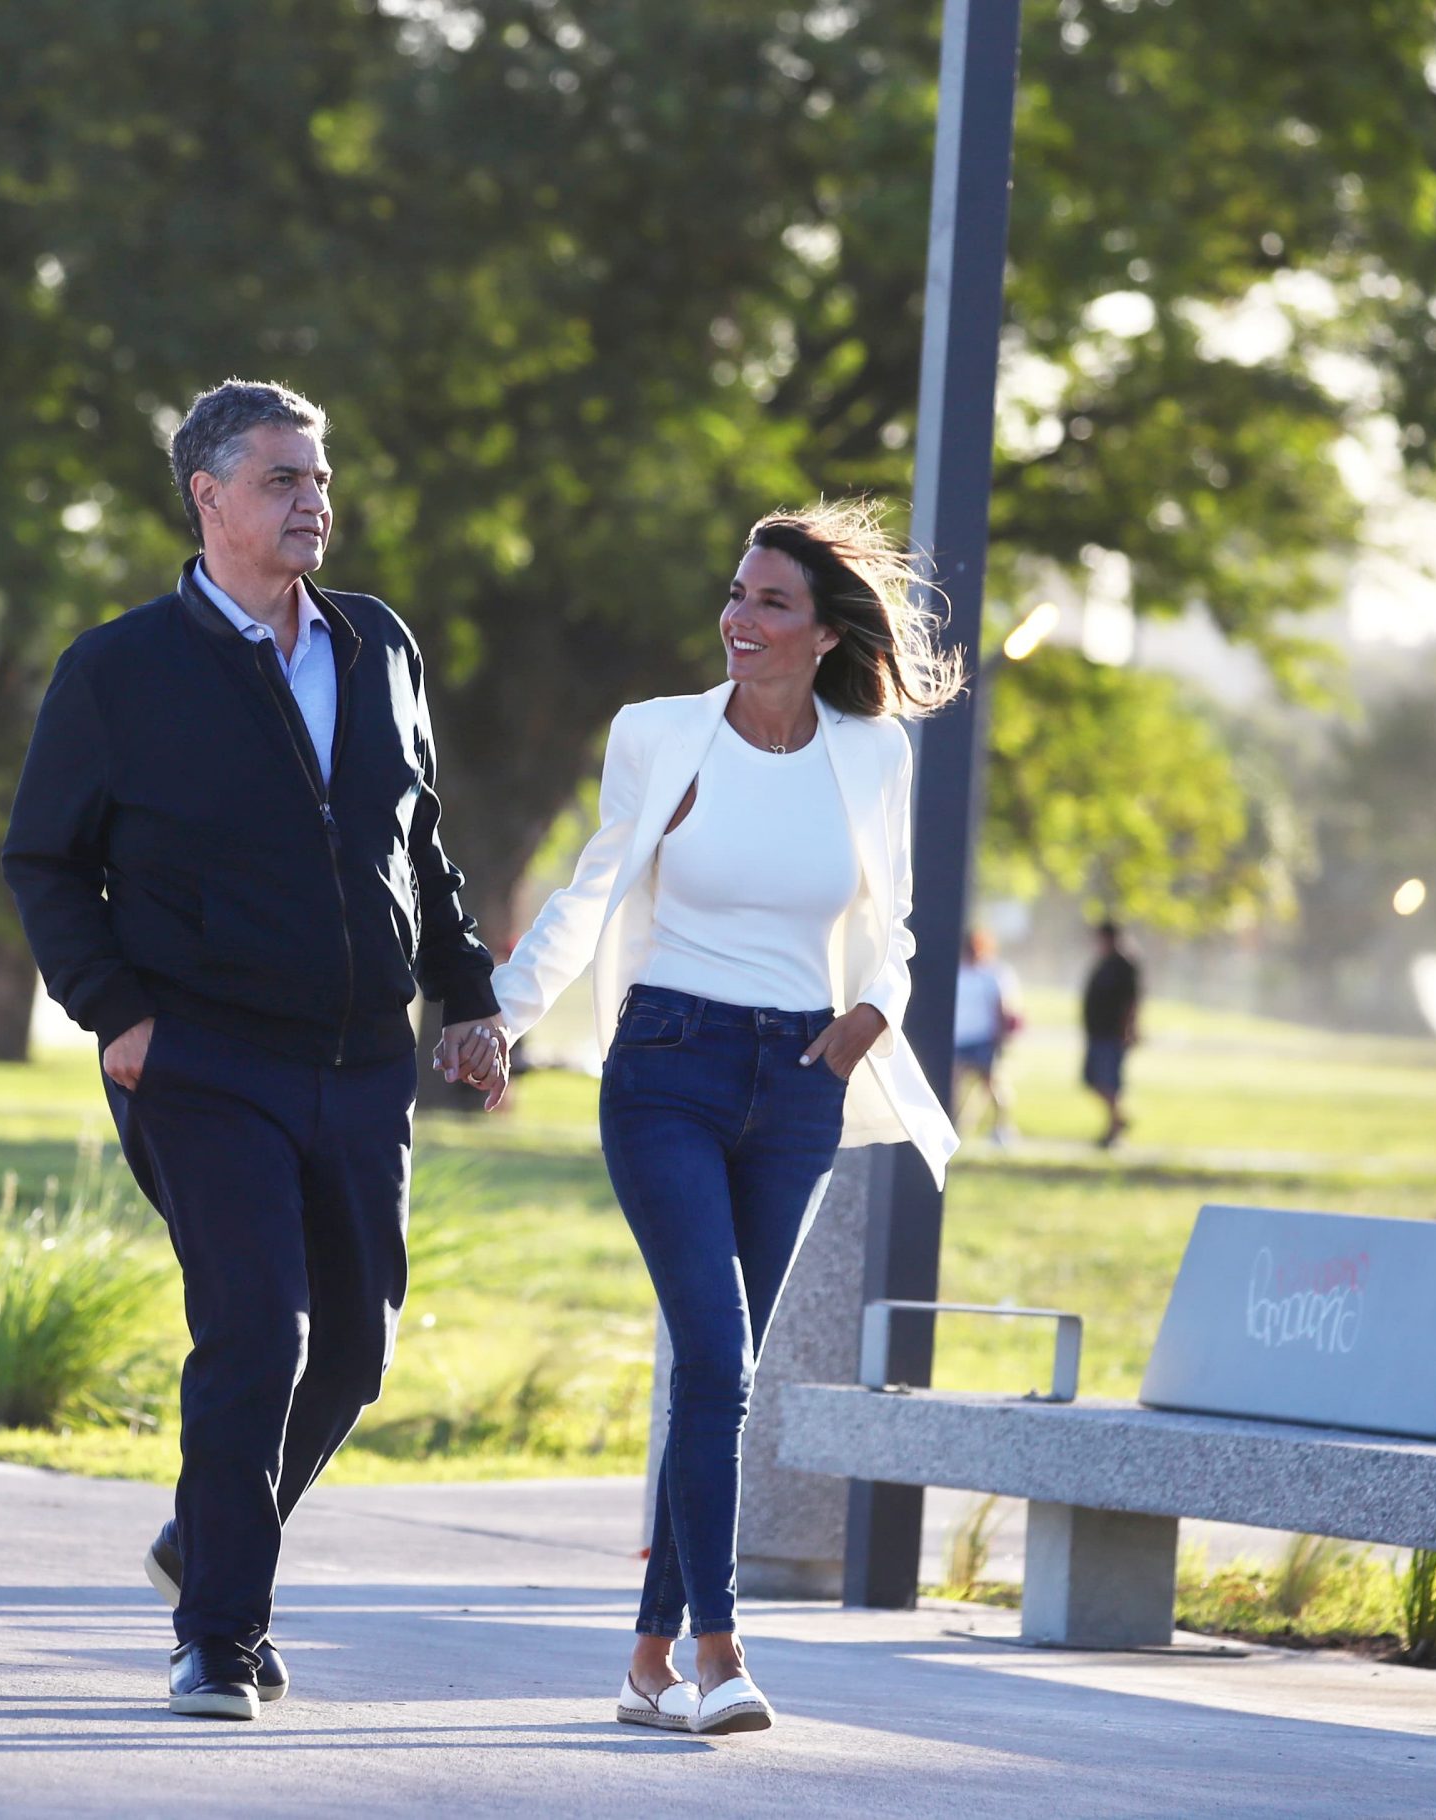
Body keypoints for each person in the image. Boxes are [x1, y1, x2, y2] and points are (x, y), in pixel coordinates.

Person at [3, 378, 507, 1721]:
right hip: (203, 1057)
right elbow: (44, 861)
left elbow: (419, 842)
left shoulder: (377, 643)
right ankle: (219, 1636)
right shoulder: (119, 669)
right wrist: (116, 1011)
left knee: (353, 1348)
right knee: (254, 1331)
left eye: (320, 478)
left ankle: (212, 1535)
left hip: (362, 1058)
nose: (313, 501)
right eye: (283, 479)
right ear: (208, 496)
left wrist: (467, 995)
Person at [490, 500, 961, 1737]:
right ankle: (719, 1649)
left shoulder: (872, 753)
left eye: (771, 601)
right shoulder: (658, 733)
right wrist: (504, 1015)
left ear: (823, 632)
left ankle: (646, 1665)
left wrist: (870, 1014)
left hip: (799, 1081)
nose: (739, 618)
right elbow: (590, 890)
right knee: (717, 1355)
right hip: (666, 1064)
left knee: (717, 1375)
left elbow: (896, 923)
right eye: (737, 593)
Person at [953, 927, 1022, 1144]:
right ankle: (957, 1125)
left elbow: (1000, 1008)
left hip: (983, 1038)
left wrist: (1000, 1037)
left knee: (991, 1084)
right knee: (955, 1084)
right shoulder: (958, 972)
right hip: (961, 1037)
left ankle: (1002, 1126)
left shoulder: (992, 974)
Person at [1081, 918, 1142, 1148]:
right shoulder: (1103, 962)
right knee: (1092, 1079)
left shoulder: (1124, 965)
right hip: (1097, 1032)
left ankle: (1114, 1127)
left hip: (1112, 1033)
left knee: (1108, 1080)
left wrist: (1129, 1029)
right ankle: (1118, 1119)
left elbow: (1132, 1001)